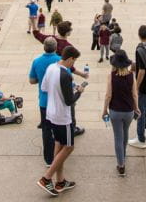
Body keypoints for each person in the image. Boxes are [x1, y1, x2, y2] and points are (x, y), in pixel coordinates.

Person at [38, 46, 84, 195]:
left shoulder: (51, 67)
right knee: (69, 147)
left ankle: (60, 181)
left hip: (51, 113)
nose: (74, 64)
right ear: (70, 59)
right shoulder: (66, 75)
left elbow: (44, 87)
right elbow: (69, 101)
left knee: (59, 145)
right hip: (63, 117)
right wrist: (79, 92)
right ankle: (46, 178)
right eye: (74, 60)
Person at [102, 50, 138, 177]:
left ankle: (121, 164)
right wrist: (136, 108)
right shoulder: (131, 75)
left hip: (115, 111)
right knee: (126, 132)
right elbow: (134, 94)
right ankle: (123, 154)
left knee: (118, 136)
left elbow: (108, 95)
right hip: (128, 111)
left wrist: (104, 110)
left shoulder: (111, 76)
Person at [30, 37, 62, 166]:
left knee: (46, 130)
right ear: (55, 47)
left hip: (44, 101)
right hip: (58, 101)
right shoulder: (60, 61)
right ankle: (59, 155)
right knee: (59, 129)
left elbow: (32, 81)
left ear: (44, 47)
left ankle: (48, 159)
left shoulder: (37, 61)